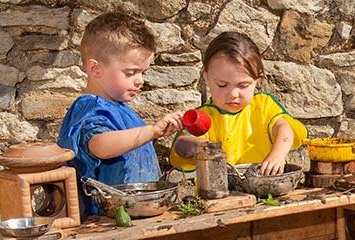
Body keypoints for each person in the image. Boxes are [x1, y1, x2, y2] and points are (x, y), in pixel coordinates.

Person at [57, 12, 183, 217]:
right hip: (102, 223)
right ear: (95, 69)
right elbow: (100, 145)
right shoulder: (90, 108)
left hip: (133, 218)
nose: (140, 80)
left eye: (143, 72)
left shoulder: (121, 109)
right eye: (130, 72)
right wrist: (152, 130)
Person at [170, 32, 307, 176]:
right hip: (220, 193)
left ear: (257, 78)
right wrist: (200, 147)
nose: (233, 94)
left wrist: (277, 155)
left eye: (243, 85)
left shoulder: (264, 106)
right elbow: (180, 145)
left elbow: (284, 129)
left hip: (266, 186)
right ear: (206, 77)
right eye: (222, 85)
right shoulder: (203, 117)